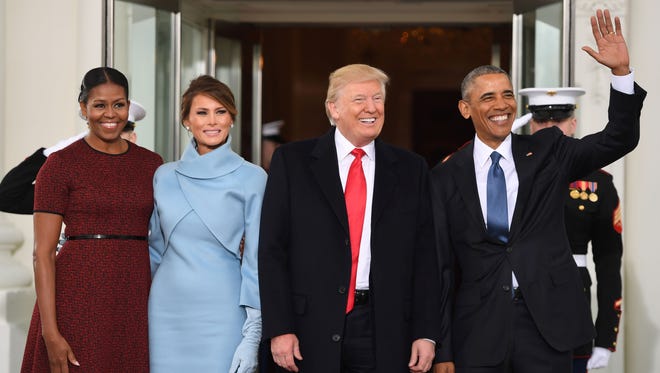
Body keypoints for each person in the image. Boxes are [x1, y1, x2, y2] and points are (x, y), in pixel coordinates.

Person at [429, 9, 644, 373]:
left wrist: (621, 74)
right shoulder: (444, 177)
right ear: (465, 109)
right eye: (487, 98)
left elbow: (617, 139)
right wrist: (443, 350)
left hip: (547, 327)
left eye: (507, 94)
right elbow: (441, 270)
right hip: (477, 333)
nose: (501, 105)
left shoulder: (548, 151)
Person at [258, 63, 452, 373]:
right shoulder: (292, 162)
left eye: (378, 99)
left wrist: (426, 333)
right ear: (333, 108)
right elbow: (271, 251)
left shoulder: (410, 168)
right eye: (359, 99)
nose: (371, 108)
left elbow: (426, 258)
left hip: (385, 328)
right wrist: (279, 327)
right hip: (308, 327)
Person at [20, 67, 163, 373]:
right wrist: (50, 331)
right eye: (99, 105)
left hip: (134, 296)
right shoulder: (59, 165)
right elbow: (42, 254)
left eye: (119, 104)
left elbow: (173, 227)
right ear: (84, 109)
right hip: (76, 296)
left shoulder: (152, 164)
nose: (110, 114)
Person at [148, 75, 266, 373]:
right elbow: (153, 253)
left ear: (232, 118)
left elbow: (256, 262)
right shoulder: (164, 175)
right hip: (165, 313)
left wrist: (252, 336)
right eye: (202, 112)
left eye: (221, 111)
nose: (212, 121)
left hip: (224, 311)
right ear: (186, 120)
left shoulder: (253, 177)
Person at [519, 86, 622, 372]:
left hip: (570, 304)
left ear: (573, 124)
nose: (550, 128)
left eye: (559, 120)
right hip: (518, 302)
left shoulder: (598, 182)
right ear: (530, 124)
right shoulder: (512, 170)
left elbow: (608, 260)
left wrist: (605, 336)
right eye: (541, 120)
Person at [0, 101, 146, 215]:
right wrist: (51, 153)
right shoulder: (76, 184)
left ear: (132, 138)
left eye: (119, 132)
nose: (110, 141)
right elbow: (6, 197)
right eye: (101, 135)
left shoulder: (149, 176)